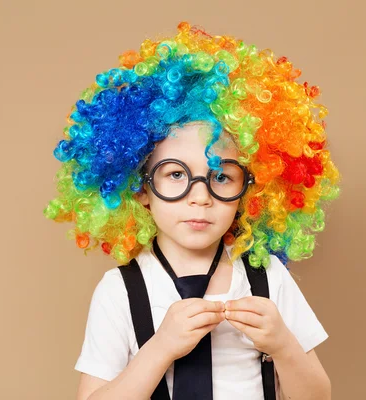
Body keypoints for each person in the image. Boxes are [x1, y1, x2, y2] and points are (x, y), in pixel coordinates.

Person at [44, 21, 340, 400]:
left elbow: (317, 397)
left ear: (250, 189)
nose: (200, 197)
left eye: (221, 176)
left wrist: (283, 345)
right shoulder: (120, 291)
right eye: (175, 174)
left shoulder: (267, 279)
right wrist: (159, 348)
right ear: (140, 190)